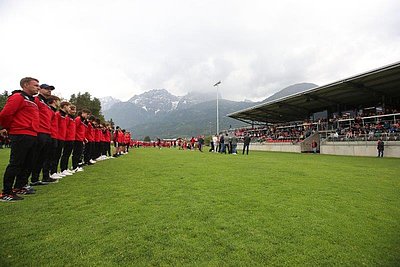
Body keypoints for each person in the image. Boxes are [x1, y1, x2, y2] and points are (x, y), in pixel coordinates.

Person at [0, 77, 40, 201]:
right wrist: (4, 127)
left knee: (28, 163)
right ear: (25, 85)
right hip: (21, 133)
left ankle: (19, 186)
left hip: (32, 134)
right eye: (35, 85)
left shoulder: (32, 101)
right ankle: (6, 192)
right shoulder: (18, 97)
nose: (38, 87)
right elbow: (5, 114)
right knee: (16, 163)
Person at [30, 84, 58, 185]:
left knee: (42, 157)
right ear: (40, 89)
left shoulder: (46, 104)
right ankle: (30, 179)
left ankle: (36, 179)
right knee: (35, 157)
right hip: (39, 132)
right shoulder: (36, 100)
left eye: (50, 89)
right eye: (46, 89)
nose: (49, 91)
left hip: (47, 133)